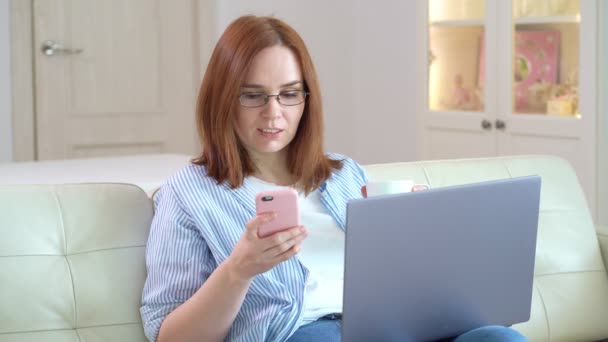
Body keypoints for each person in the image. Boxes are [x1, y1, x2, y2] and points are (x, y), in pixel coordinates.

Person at [140, 15, 528, 342]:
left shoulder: (343, 173)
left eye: (289, 94)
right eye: (253, 95)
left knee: (502, 337)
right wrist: (238, 271)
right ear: (223, 98)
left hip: (398, 327)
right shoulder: (189, 194)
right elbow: (168, 335)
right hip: (304, 332)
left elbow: (400, 281)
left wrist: (417, 233)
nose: (273, 114)